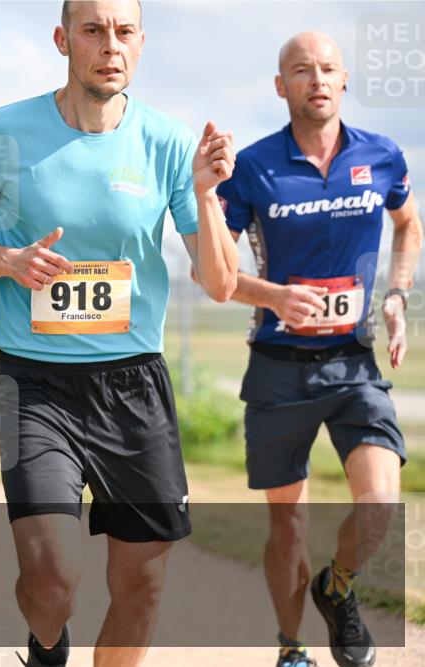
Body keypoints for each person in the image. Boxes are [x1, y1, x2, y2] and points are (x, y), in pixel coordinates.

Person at [0, 1, 239, 665]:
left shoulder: (169, 142)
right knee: (51, 581)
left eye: (124, 32)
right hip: (34, 383)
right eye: (94, 31)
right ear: (63, 39)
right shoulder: (5, 129)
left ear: (142, 43)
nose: (110, 46)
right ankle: (46, 645)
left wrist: (208, 195)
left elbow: (219, 282)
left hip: (134, 386)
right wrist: (8, 261)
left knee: (143, 581)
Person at [212, 31, 422, 667]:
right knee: (289, 524)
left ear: (345, 80)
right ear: (282, 86)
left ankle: (339, 586)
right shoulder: (251, 166)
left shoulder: (382, 156)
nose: (317, 80)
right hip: (278, 368)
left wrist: (396, 293)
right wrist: (272, 296)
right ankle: (291, 646)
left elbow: (408, 222)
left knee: (382, 503)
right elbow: (211, 271)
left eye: (328, 68)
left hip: (353, 363)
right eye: (302, 71)